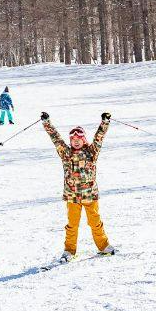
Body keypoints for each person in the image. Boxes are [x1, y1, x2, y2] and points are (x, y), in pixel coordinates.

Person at [41, 111, 116, 262]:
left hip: (90, 195)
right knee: (72, 225)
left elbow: (99, 138)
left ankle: (104, 246)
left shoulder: (91, 152)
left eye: (78, 139)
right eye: (73, 139)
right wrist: (46, 123)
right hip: (72, 196)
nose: (75, 141)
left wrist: (105, 122)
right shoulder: (66, 154)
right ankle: (69, 251)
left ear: (83, 140)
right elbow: (56, 139)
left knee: (95, 222)